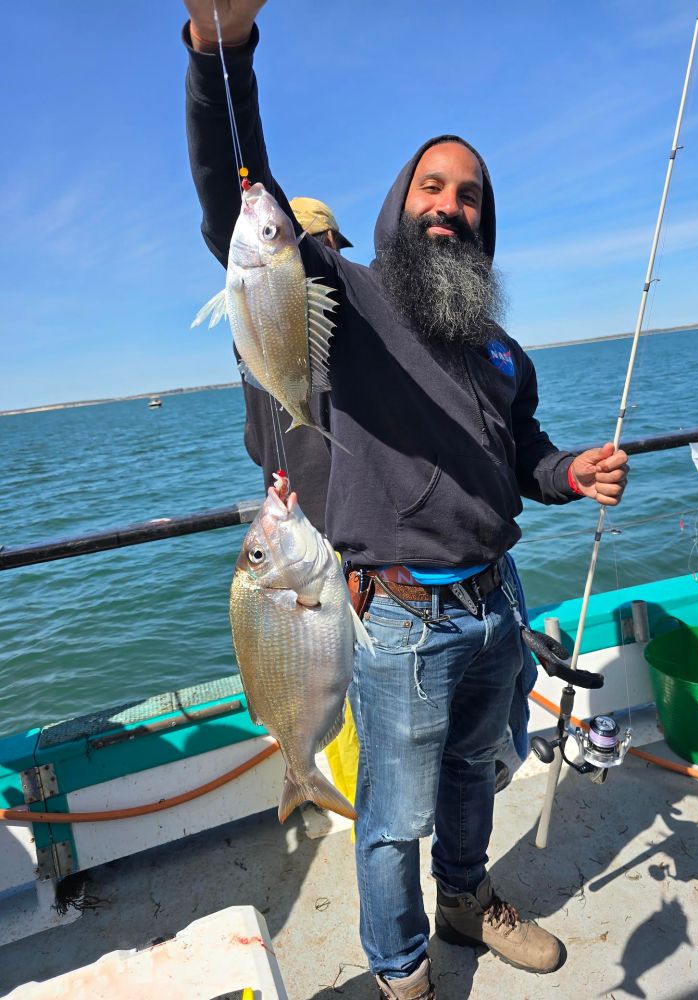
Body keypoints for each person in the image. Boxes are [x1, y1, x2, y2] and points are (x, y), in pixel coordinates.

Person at [182, 4, 630, 997]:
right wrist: (224, 48)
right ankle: (401, 969)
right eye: (433, 185)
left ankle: (467, 899)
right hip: (399, 619)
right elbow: (238, 208)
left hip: (497, 605)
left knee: (478, 775)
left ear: (485, 220)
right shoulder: (349, 300)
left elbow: (522, 459)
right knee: (391, 819)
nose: (451, 204)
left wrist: (572, 472)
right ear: (398, 202)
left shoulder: (500, 348)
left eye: (470, 195)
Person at [235, 196, 352, 534]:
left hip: (290, 524)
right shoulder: (344, 316)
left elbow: (255, 447)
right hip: (349, 533)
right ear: (328, 242)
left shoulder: (247, 326)